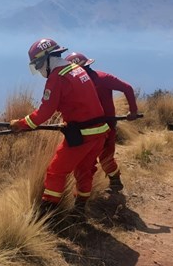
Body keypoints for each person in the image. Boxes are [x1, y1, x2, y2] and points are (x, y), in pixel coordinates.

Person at [9, 38, 109, 219]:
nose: (39, 70)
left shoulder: (57, 77)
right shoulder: (77, 69)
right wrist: (69, 120)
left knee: (56, 171)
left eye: (38, 64)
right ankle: (79, 212)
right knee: (84, 172)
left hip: (82, 135)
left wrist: (21, 124)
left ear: (47, 59)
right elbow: (80, 101)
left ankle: (48, 216)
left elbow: (44, 113)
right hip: (100, 131)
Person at [65, 52, 138, 193]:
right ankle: (85, 192)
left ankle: (115, 181)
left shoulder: (103, 78)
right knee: (86, 161)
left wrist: (133, 111)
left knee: (105, 157)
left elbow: (127, 88)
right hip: (85, 129)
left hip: (107, 126)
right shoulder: (74, 85)